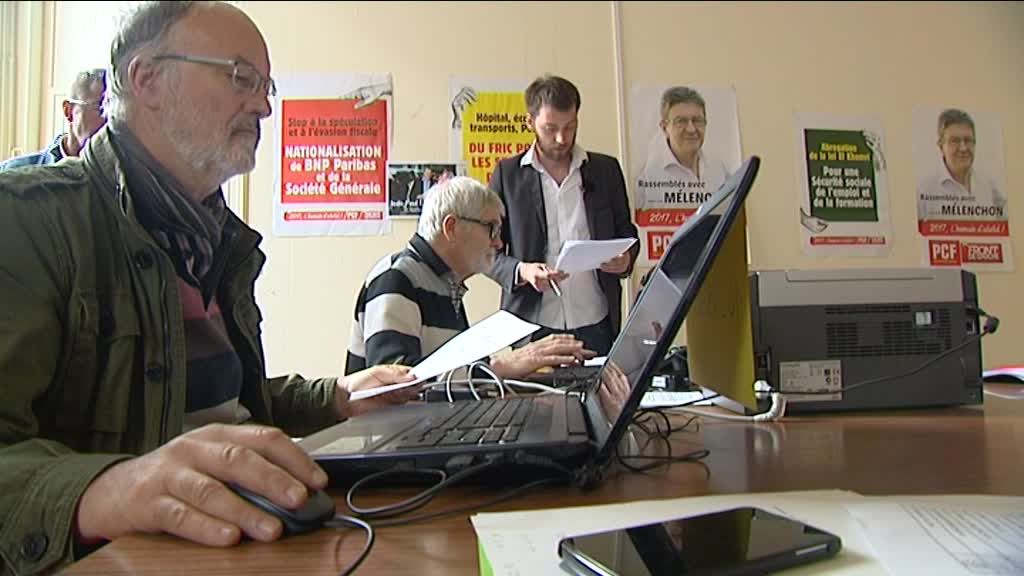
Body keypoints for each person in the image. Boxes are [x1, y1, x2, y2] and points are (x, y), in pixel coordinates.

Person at [0, 3, 416, 574]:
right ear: (146, 79)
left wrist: (338, 397)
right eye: (241, 77)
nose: (264, 105)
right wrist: (113, 488)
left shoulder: (220, 241)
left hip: (243, 543)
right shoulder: (24, 221)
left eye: (265, 84)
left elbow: (220, 409)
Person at [347, 175, 593, 378]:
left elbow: (454, 381)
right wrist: (503, 366)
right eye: (492, 229)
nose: (498, 242)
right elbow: (395, 384)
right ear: (451, 227)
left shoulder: (446, 283)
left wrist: (525, 374)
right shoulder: (395, 278)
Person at [487, 75, 639, 356]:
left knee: (601, 399)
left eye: (570, 127)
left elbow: (627, 233)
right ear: (530, 123)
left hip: (597, 321)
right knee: (535, 401)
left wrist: (626, 259)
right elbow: (485, 253)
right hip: (532, 325)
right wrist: (523, 270)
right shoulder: (507, 176)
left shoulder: (605, 170)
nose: (561, 138)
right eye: (550, 128)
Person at [636, 86, 730, 212]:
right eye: (681, 121)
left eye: (697, 121)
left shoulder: (719, 169)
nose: (691, 129)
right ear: (664, 128)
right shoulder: (648, 177)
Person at [0, 68, 108, 171]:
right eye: (101, 108)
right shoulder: (13, 176)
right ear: (68, 111)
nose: (111, 121)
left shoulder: (120, 180)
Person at [917, 108, 1007, 221]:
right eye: (955, 141)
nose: (963, 148)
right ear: (941, 146)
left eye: (968, 140)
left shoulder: (989, 185)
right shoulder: (924, 190)